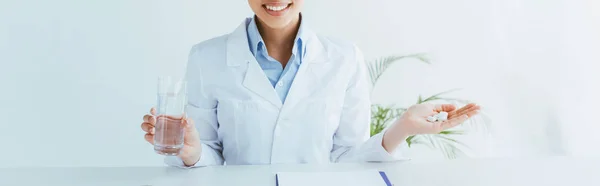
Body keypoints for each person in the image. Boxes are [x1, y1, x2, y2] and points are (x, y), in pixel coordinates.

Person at [140, 0, 481, 168]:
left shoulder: (345, 58)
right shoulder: (206, 58)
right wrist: (192, 153)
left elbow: (348, 156)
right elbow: (208, 154)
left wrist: (403, 127)